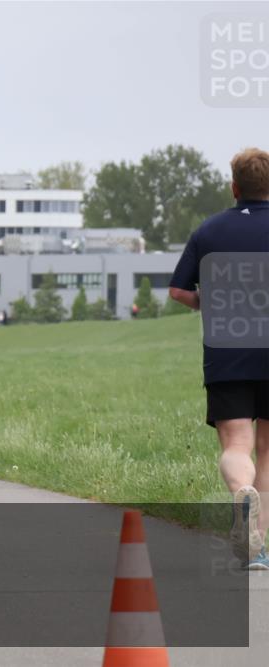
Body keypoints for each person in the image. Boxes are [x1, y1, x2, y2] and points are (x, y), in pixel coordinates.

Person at [168, 147, 269, 570]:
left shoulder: (208, 232)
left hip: (227, 349)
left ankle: (241, 497)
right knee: (267, 449)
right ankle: (260, 548)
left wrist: (207, 303)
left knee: (237, 443)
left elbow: (177, 290)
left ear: (234, 187)